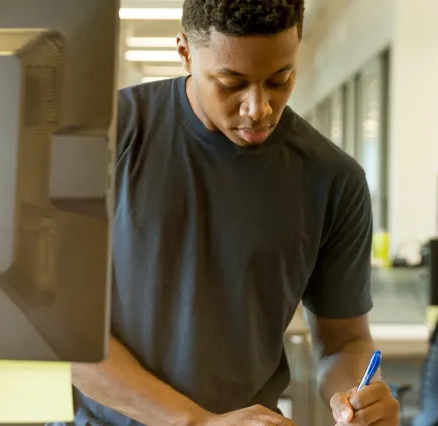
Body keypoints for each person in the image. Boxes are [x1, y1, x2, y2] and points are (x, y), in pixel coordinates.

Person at [61, 1, 400, 425]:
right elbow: (61, 333)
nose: (258, 107)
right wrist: (196, 421)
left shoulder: (332, 178)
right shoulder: (106, 137)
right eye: (231, 82)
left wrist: (356, 397)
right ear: (184, 51)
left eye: (280, 79)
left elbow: (344, 341)